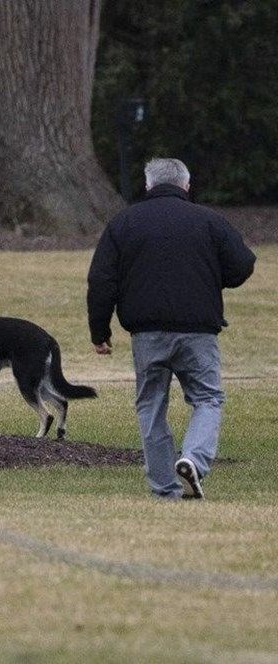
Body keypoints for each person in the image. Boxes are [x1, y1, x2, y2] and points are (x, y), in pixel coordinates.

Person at [87, 158, 256, 499]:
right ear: (186, 186)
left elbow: (101, 280)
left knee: (151, 404)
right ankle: (194, 458)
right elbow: (242, 265)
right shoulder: (208, 220)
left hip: (147, 333)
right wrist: (209, 279)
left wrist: (99, 331)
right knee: (207, 397)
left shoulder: (124, 223)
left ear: (148, 185)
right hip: (198, 330)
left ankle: (165, 489)